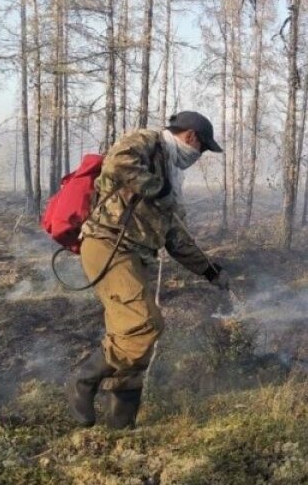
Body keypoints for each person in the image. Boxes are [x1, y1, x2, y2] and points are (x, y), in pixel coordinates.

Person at [66, 110, 230, 429]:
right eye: (203, 149)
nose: (200, 156)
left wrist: (210, 271)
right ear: (190, 137)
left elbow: (176, 236)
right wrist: (159, 189)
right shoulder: (146, 141)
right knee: (145, 325)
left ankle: (121, 427)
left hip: (133, 255)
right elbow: (118, 163)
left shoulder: (172, 176)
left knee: (131, 340)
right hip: (108, 244)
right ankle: (83, 381)